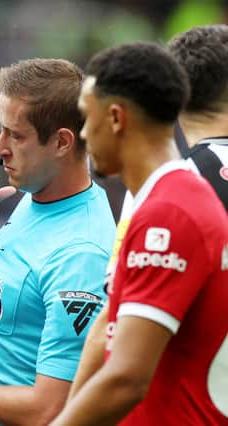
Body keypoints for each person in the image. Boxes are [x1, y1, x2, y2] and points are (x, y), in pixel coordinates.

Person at [0, 58, 116, 425]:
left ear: (61, 142)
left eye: (16, 135)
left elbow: (52, 409)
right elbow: (14, 304)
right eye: (2, 130)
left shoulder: (81, 255)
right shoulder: (39, 197)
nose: (0, 148)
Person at [52, 42, 228, 425]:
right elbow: (110, 336)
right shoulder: (162, 200)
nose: (83, 133)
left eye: (86, 117)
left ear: (115, 118)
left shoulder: (170, 212)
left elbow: (127, 379)